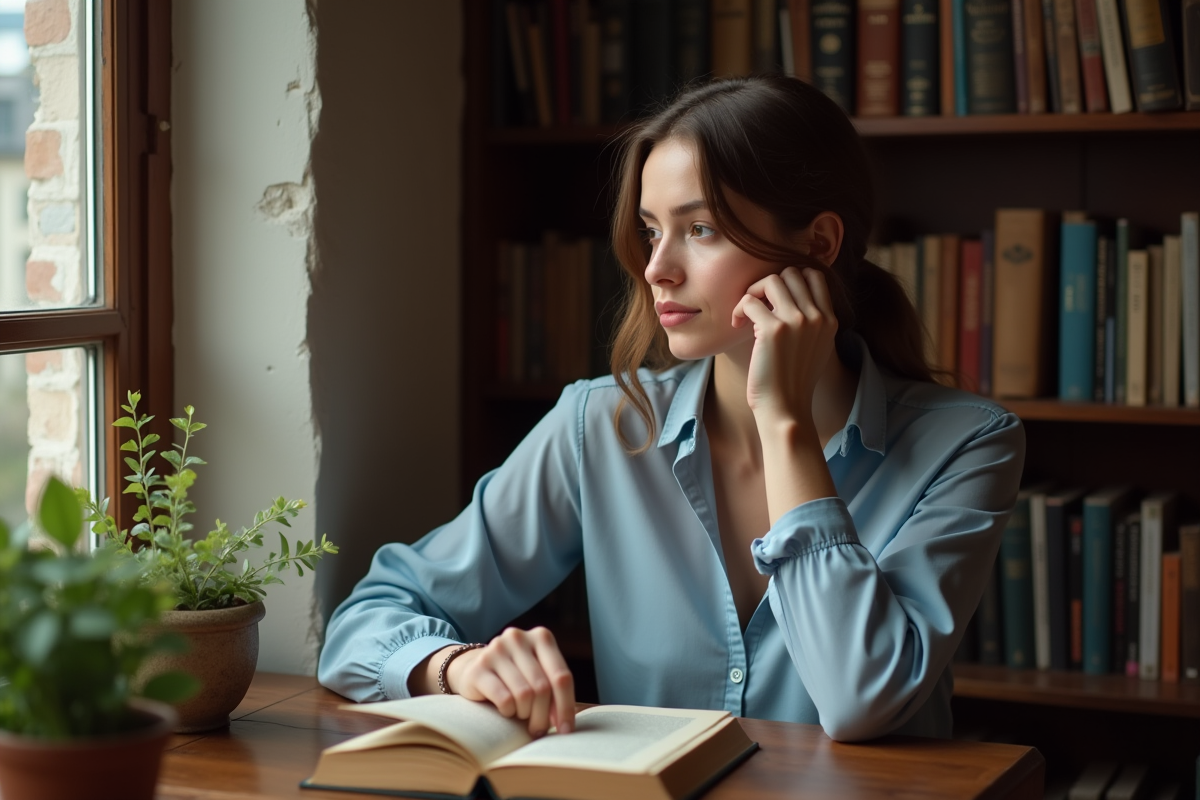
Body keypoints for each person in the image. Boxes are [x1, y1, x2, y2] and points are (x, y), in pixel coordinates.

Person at [318, 74, 1025, 743]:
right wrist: (455, 668)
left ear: (818, 244)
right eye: (653, 230)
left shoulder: (967, 444)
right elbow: (362, 624)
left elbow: (862, 700)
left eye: (702, 229)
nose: (657, 267)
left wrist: (785, 425)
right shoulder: (599, 427)